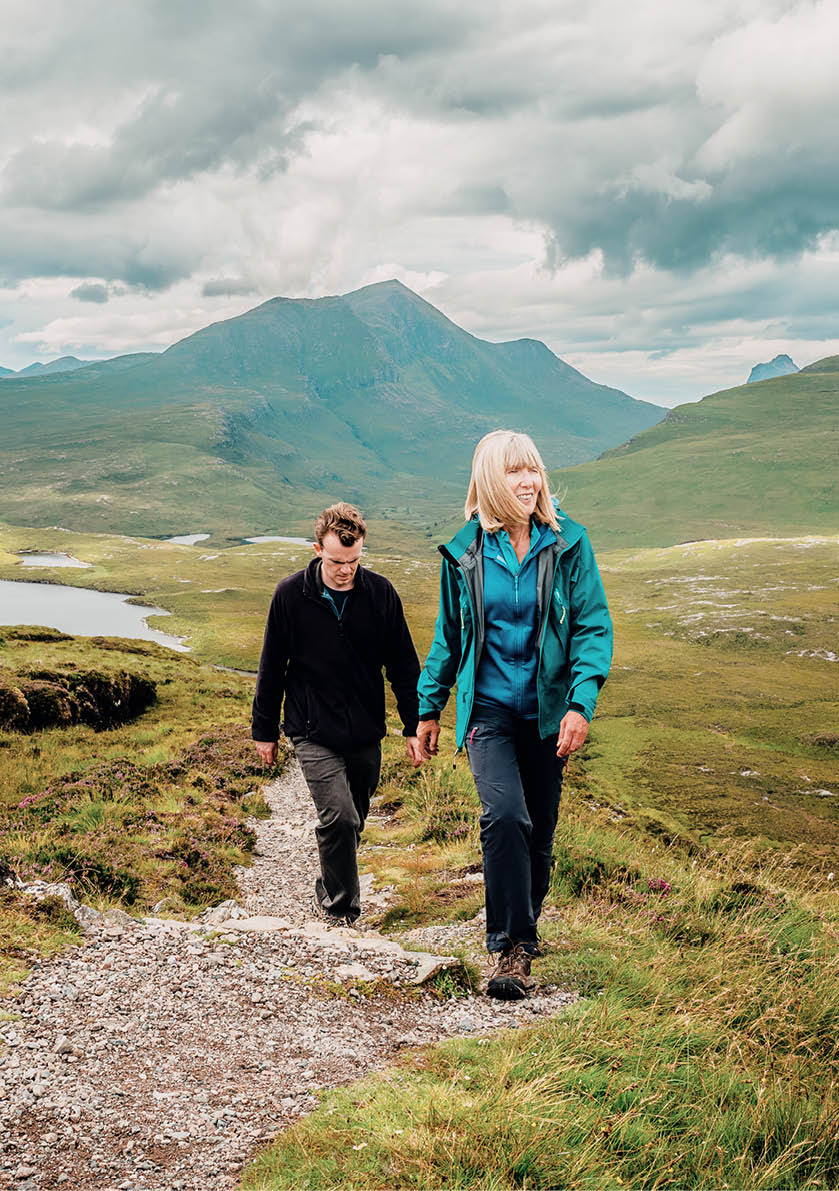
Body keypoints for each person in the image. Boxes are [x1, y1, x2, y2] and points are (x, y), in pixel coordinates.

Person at [416, 430, 612, 999]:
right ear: (488, 481)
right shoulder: (466, 553)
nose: (528, 482)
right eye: (514, 472)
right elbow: (449, 637)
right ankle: (510, 949)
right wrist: (429, 708)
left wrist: (580, 702)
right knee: (506, 817)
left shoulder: (568, 545)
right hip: (490, 713)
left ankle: (523, 926)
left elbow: (592, 627)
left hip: (549, 716)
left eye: (533, 470)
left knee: (540, 836)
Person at [252, 502, 423, 926]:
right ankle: (341, 910)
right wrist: (265, 731)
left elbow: (403, 666)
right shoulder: (290, 595)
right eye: (335, 561)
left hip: (365, 731)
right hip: (312, 729)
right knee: (340, 817)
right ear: (317, 549)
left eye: (354, 560)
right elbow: (272, 665)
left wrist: (414, 725)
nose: (345, 570)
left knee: (354, 821)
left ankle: (328, 884)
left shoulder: (380, 593)